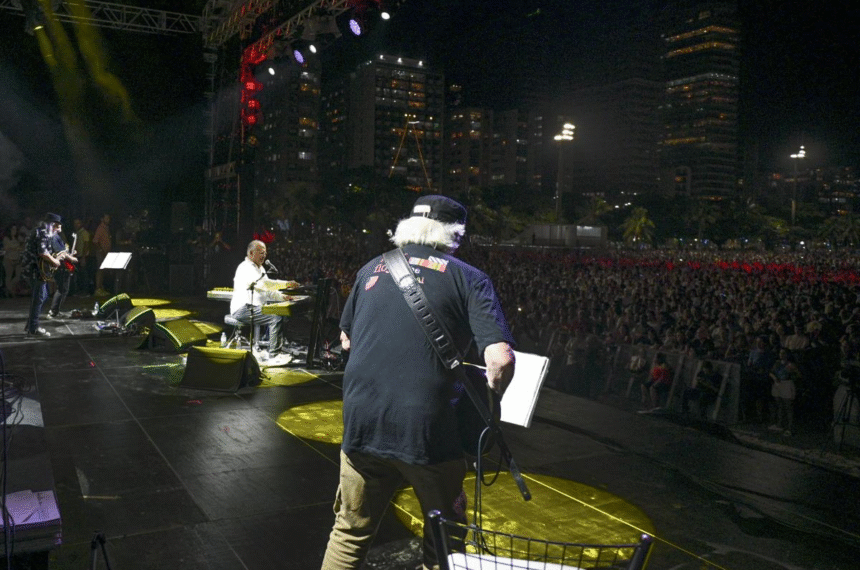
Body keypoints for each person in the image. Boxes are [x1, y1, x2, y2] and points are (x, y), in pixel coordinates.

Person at [321, 195, 516, 570]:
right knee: (445, 536)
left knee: (349, 530)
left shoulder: (371, 268)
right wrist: (491, 400)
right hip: (428, 431)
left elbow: (345, 339)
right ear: (455, 234)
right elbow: (500, 359)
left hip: (362, 422)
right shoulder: (469, 277)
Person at [229, 240, 296, 366]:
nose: (264, 255)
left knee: (282, 314)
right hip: (242, 309)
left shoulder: (261, 269)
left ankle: (272, 348)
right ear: (251, 253)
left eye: (265, 253)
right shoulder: (245, 267)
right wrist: (286, 284)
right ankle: (274, 355)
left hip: (254, 308)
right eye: (261, 252)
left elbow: (269, 292)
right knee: (275, 316)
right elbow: (264, 285)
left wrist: (283, 297)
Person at [22, 213, 71, 337]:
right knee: (39, 298)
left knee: (42, 296)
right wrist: (54, 261)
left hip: (35, 269)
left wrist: (57, 256)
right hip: (35, 270)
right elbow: (43, 252)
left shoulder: (41, 231)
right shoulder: (43, 232)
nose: (57, 229)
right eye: (56, 226)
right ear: (53, 224)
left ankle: (30, 325)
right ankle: (33, 329)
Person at [46, 220, 79, 319]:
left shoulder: (54, 237)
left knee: (63, 289)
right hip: (61, 267)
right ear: (55, 227)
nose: (60, 229)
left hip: (61, 266)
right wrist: (72, 258)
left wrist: (70, 253)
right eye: (59, 226)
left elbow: (63, 251)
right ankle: (53, 311)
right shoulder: (54, 237)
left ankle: (55, 310)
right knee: (62, 289)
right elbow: (61, 253)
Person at [93, 213, 111, 296]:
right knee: (100, 270)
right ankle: (98, 289)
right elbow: (95, 241)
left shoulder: (106, 228)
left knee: (103, 271)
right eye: (106, 218)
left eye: (108, 218)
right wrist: (101, 250)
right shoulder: (100, 228)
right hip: (101, 253)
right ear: (102, 219)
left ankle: (101, 288)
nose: (108, 220)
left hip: (106, 253)